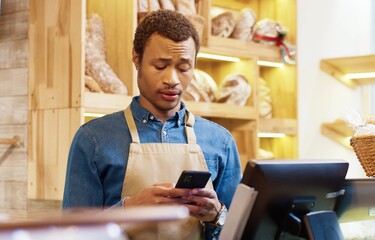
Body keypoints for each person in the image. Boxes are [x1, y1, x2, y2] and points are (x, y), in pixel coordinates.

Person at [62, 9, 242, 239]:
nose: (172, 80)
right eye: (160, 66)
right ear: (137, 59)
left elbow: (241, 232)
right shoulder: (93, 139)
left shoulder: (221, 142)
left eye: (184, 68)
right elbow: (71, 233)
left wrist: (217, 215)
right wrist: (127, 211)